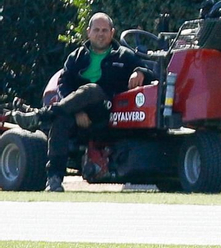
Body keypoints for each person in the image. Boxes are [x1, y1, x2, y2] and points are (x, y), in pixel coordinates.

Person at [8, 13, 147, 192]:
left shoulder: (124, 56)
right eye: (96, 30)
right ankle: (54, 179)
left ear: (112, 33)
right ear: (88, 32)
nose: (100, 34)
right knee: (61, 120)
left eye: (105, 30)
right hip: (77, 113)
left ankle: (42, 116)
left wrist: (139, 71)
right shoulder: (76, 57)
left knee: (92, 89)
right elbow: (63, 84)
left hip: (107, 112)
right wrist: (75, 112)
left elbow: (149, 71)